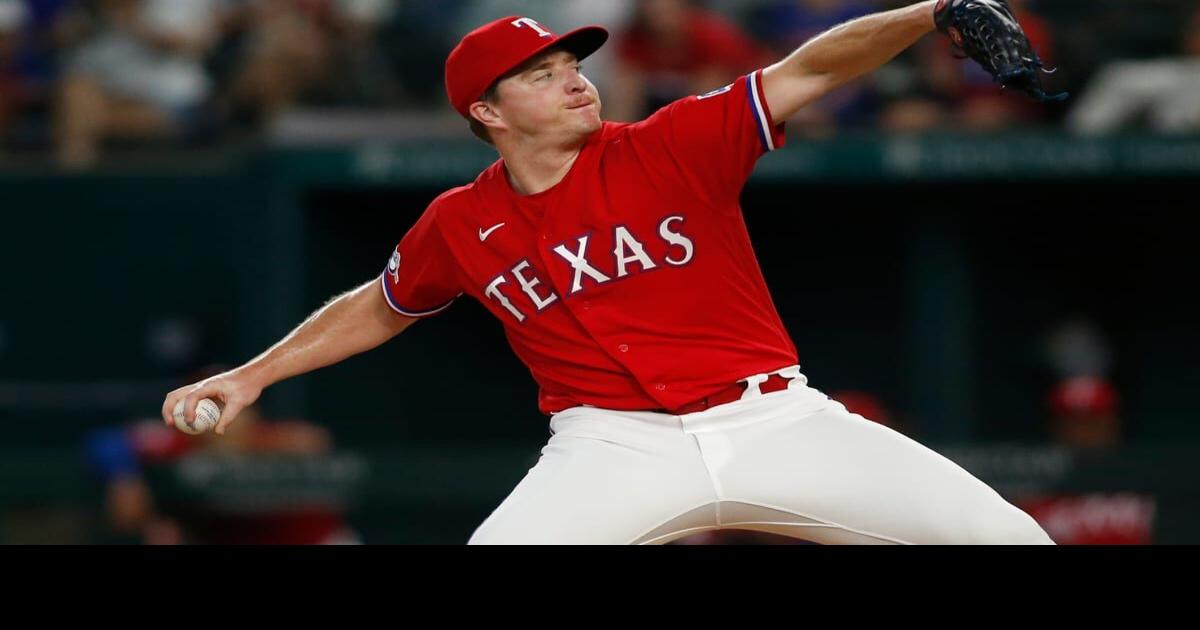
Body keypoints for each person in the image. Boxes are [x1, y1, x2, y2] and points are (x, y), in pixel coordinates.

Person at [164, 4, 1054, 544]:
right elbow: (383, 304)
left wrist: (931, 11)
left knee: (1004, 537)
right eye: (541, 76)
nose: (574, 82)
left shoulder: (670, 142)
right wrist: (251, 376)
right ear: (486, 110)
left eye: (571, 65)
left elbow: (808, 68)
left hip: (775, 415)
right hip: (611, 445)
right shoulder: (458, 221)